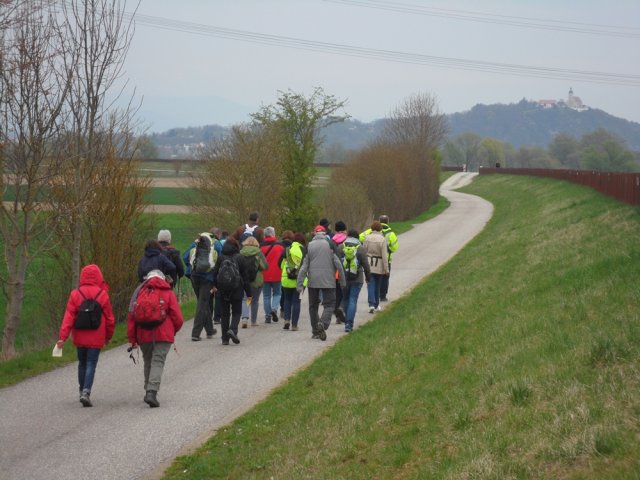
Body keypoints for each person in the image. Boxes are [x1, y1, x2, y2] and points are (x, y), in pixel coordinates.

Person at [57, 264, 116, 407]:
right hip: (96, 336)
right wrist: (108, 336)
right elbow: (110, 319)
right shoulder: (102, 295)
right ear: (99, 277)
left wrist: (62, 337)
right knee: (91, 364)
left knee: (82, 363)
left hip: (80, 336)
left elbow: (68, 316)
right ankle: (86, 391)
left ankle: (81, 389)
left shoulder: (75, 294)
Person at [127, 270, 183, 408]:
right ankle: (151, 392)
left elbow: (132, 317)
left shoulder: (139, 293)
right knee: (158, 361)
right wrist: (172, 330)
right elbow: (178, 317)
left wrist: (133, 339)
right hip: (163, 334)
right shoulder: (167, 292)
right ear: (163, 278)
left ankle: (148, 389)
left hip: (143, 333)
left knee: (148, 360)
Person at [296, 225, 345, 341]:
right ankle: (322, 323)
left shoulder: (309, 246)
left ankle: (316, 331)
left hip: (313, 281)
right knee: (330, 304)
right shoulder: (330, 244)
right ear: (324, 233)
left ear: (314, 233)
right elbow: (339, 264)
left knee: (313, 306)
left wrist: (300, 284)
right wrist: (342, 281)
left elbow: (304, 266)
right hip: (328, 280)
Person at [211, 236, 252, 345]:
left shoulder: (221, 257)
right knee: (237, 312)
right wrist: (249, 293)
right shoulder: (240, 258)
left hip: (222, 289)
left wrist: (214, 286)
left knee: (225, 314)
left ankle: (225, 339)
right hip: (237, 288)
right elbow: (245, 277)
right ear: (236, 246)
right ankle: (233, 330)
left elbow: (215, 273)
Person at [182, 231, 221, 341]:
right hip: (207, 279)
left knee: (203, 302)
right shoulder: (216, 245)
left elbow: (185, 257)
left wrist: (194, 265)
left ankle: (209, 330)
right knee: (202, 303)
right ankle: (195, 333)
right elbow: (220, 261)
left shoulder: (195, 245)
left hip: (194, 277)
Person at [360, 214, 398, 302]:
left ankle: (372, 296)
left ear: (379, 221)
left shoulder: (370, 230)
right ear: (388, 222)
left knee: (372, 278)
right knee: (385, 278)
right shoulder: (391, 234)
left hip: (371, 259)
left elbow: (360, 237)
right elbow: (395, 247)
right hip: (386, 259)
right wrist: (388, 249)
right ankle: (383, 296)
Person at [338, 229, 371, 332]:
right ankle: (349, 324)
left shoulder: (341, 247)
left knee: (346, 298)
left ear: (348, 236)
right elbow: (366, 265)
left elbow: (337, 262)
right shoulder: (360, 248)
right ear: (357, 237)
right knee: (353, 300)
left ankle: (342, 309)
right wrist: (368, 277)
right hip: (357, 278)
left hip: (344, 278)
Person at [239, 235, 268, 328]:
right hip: (256, 280)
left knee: (246, 299)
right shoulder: (259, 253)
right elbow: (265, 266)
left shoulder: (241, 252)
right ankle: (253, 321)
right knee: (254, 301)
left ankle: (244, 318)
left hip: (244, 280)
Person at [280, 232, 306, 331]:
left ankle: (286, 320)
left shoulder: (287, 250)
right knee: (296, 302)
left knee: (287, 300)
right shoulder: (304, 250)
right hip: (300, 281)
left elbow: (280, 264)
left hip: (286, 279)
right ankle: (294, 325)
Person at [363, 221, 389, 313]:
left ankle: (371, 304)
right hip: (379, 264)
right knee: (377, 285)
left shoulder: (367, 238)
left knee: (370, 284)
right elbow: (385, 256)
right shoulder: (382, 239)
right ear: (380, 229)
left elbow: (364, 252)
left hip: (369, 263)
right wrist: (386, 269)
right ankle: (376, 304)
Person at [260, 226, 285, 324]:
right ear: (273, 234)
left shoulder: (260, 246)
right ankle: (274, 309)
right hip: (277, 273)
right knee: (278, 293)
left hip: (264, 274)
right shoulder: (280, 246)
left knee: (266, 296)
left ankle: (267, 317)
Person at [331, 220, 348, 324]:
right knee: (345, 293)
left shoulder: (331, 241)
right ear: (344, 229)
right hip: (344, 270)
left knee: (337, 293)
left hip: (333, 271)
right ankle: (341, 310)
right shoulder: (346, 240)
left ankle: (337, 316)